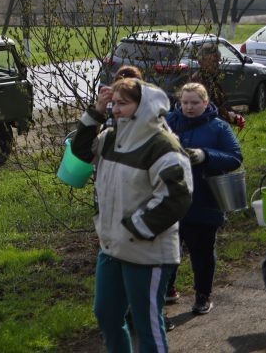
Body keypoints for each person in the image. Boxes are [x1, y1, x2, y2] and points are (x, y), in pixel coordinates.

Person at [72, 78, 194, 352]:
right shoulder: (111, 137)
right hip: (112, 247)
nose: (115, 110)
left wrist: (135, 227)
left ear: (145, 106)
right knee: (107, 315)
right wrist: (96, 112)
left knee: (147, 326)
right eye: (113, 103)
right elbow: (80, 153)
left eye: (123, 104)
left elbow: (177, 198)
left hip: (147, 251)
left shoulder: (163, 146)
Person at [163, 83, 242, 316]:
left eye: (195, 103)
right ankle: (168, 288)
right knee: (168, 250)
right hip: (170, 198)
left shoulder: (219, 128)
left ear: (205, 103)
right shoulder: (169, 121)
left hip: (205, 198)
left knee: (202, 252)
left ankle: (202, 295)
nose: (188, 107)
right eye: (185, 102)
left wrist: (205, 155)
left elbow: (235, 157)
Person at [191, 42, 246, 129]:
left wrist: (236, 116)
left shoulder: (213, 80)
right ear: (201, 61)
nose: (217, 65)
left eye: (218, 61)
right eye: (214, 61)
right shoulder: (197, 82)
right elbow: (208, 109)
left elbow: (223, 104)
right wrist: (228, 115)